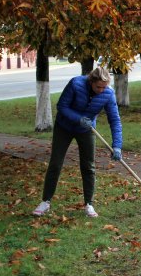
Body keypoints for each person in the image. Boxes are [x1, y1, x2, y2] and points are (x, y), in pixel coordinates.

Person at [33, 67, 122, 218]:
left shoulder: (108, 93)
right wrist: (78, 119)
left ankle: (89, 204)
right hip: (64, 127)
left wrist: (117, 146)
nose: (101, 90)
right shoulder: (76, 84)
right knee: (55, 163)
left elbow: (114, 120)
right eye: (98, 86)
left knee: (88, 166)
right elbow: (62, 106)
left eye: (104, 87)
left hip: (86, 130)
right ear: (91, 81)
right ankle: (45, 201)